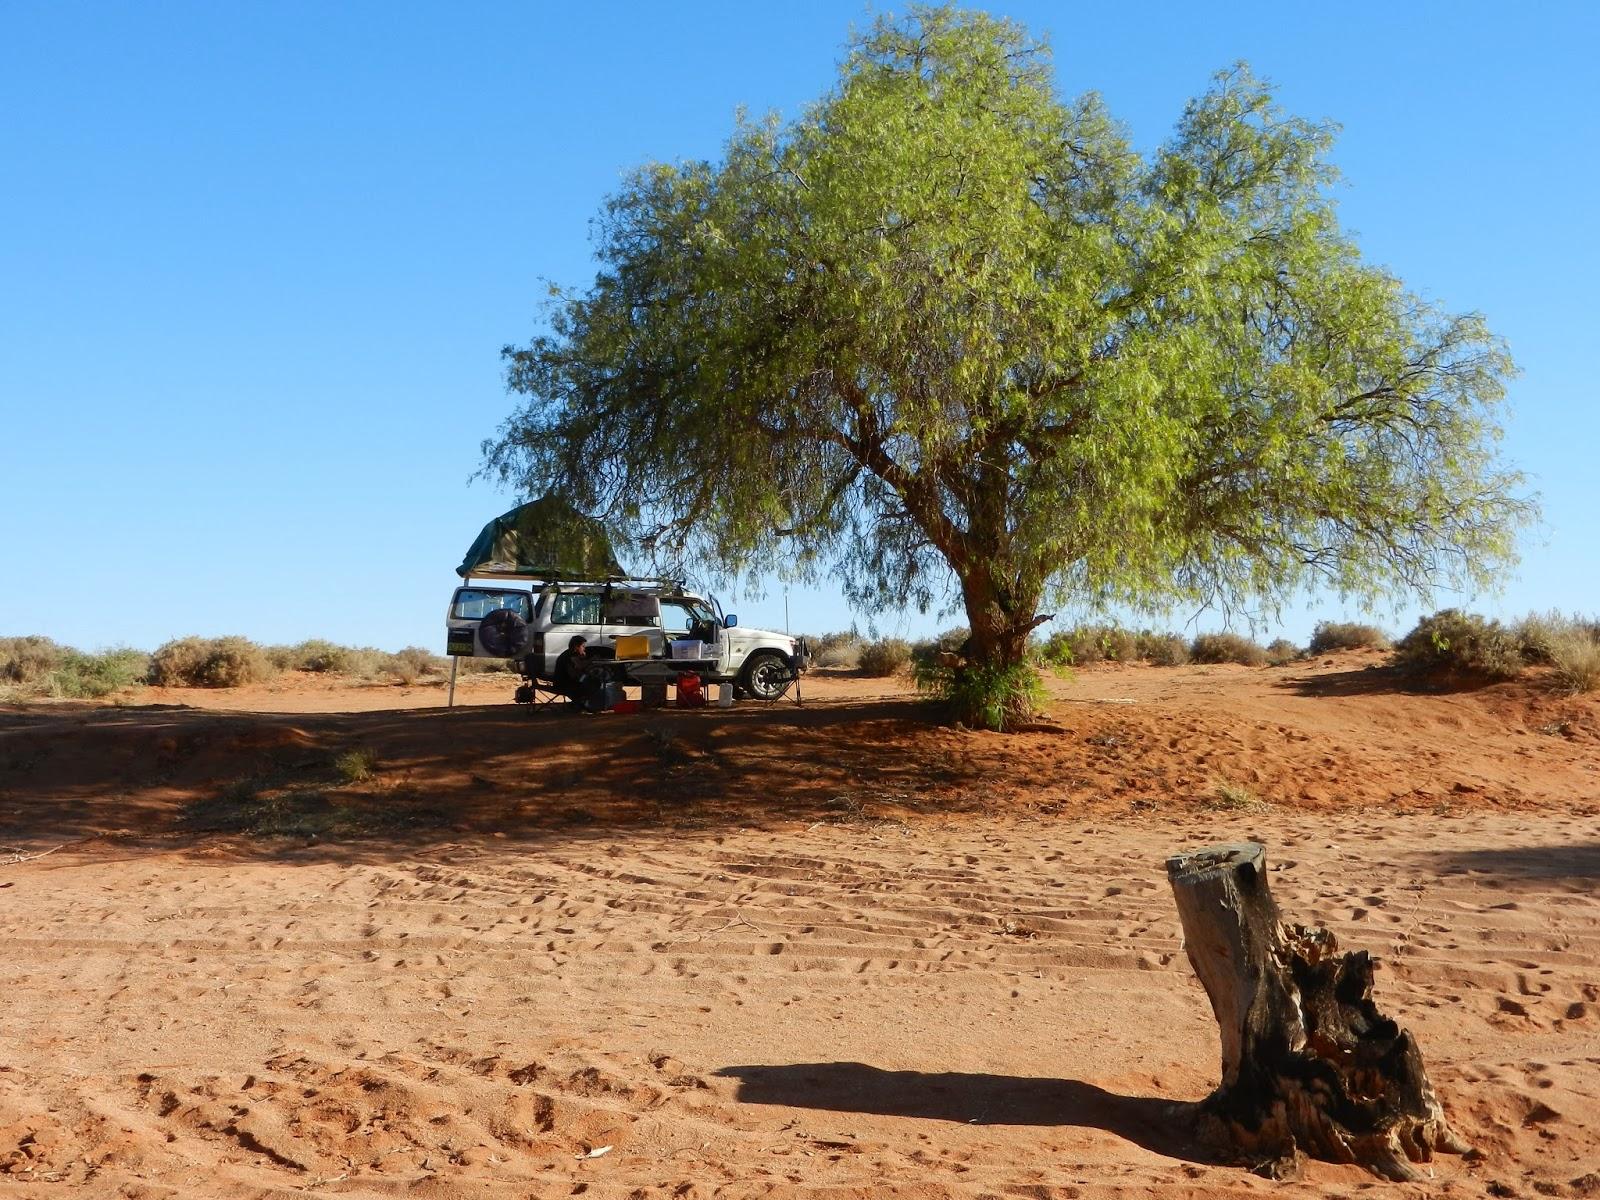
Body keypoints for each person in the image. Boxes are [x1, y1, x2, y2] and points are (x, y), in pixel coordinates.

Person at [553, 635, 605, 712]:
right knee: (592, 684)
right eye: (583, 646)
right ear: (576, 646)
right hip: (563, 684)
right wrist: (591, 660)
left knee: (591, 682)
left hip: (566, 681)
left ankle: (581, 703)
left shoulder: (571, 654)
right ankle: (583, 704)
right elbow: (580, 666)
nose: (584, 648)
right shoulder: (570, 655)